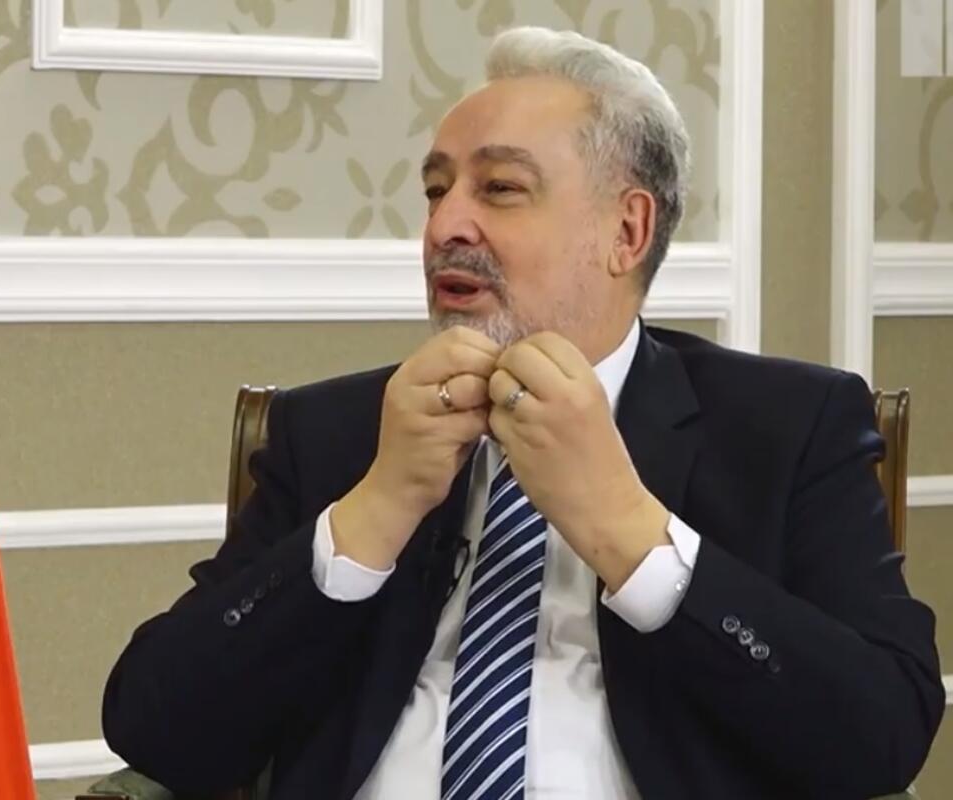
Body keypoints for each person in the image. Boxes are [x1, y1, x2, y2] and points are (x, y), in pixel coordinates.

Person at [101, 27, 943, 800]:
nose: (445, 225)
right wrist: (375, 510)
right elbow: (155, 729)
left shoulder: (787, 426)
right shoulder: (337, 433)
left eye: (500, 188)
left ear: (627, 231)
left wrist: (628, 530)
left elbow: (880, 736)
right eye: (436, 190)